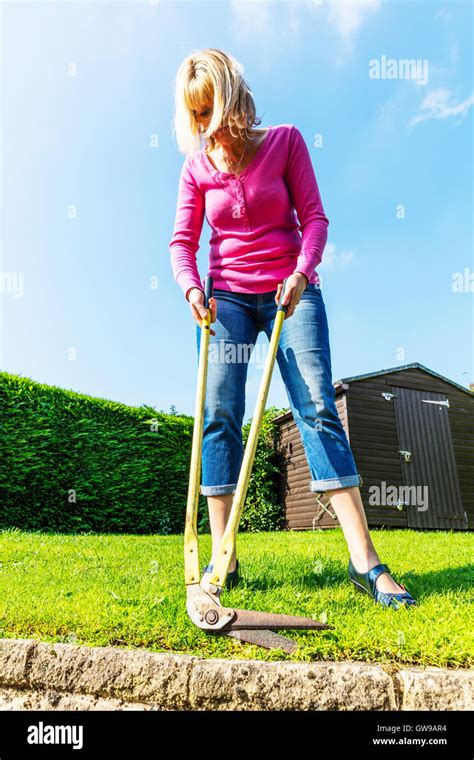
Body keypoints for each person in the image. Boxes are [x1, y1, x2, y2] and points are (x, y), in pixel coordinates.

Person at [169, 47, 416, 609]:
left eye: (212, 110)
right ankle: (223, 555)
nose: (207, 127)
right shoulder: (195, 168)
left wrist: (303, 273)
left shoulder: (285, 141)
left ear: (234, 100)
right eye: (197, 116)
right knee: (219, 414)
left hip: (290, 291)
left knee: (317, 408)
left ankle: (366, 562)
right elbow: (182, 244)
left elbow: (315, 218)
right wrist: (190, 288)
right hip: (225, 299)